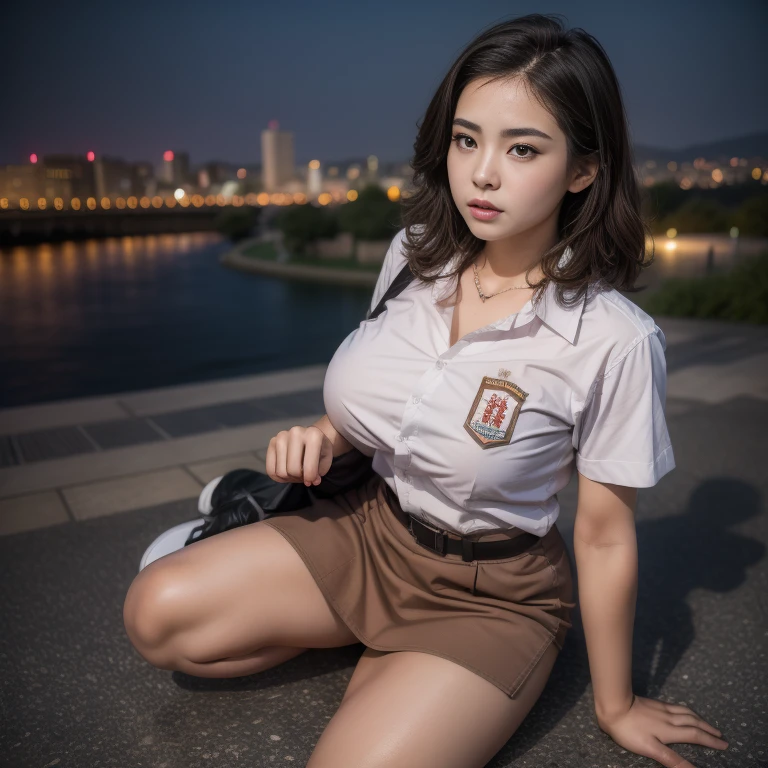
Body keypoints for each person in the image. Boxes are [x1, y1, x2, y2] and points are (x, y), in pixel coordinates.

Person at [123, 13, 729, 768]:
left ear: (583, 169)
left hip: (490, 594)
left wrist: (617, 704)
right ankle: (356, 626)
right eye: (467, 138)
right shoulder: (414, 255)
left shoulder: (613, 338)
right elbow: (384, 399)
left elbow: (604, 537)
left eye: (523, 149)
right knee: (155, 616)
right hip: (369, 533)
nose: (482, 172)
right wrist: (326, 432)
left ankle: (412, 662)